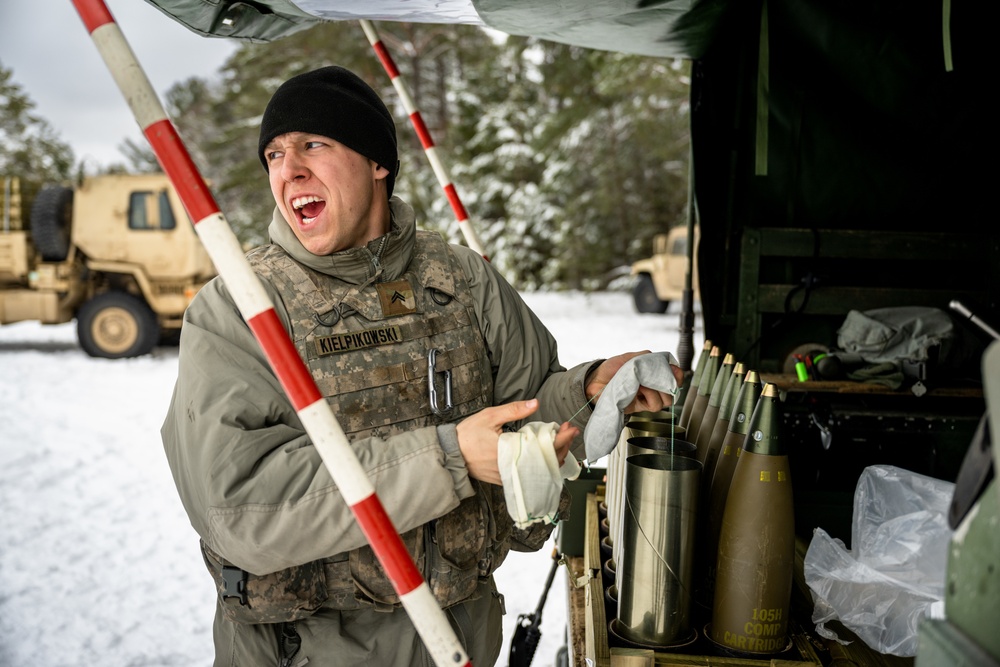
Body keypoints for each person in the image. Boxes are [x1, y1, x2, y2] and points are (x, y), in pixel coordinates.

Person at [161, 65, 680, 667]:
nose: (289, 169)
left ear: (378, 163)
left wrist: (588, 389)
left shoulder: (461, 279)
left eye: (314, 145)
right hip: (309, 650)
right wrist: (449, 457)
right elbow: (239, 509)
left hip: (460, 637)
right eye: (274, 154)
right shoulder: (241, 306)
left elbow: (528, 407)